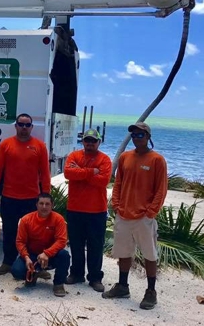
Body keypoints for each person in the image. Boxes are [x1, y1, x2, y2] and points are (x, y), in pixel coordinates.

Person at [102, 122, 167, 310]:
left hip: (144, 218)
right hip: (123, 214)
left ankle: (151, 291)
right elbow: (119, 182)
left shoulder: (157, 160)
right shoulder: (125, 157)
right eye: (134, 135)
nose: (137, 138)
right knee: (123, 253)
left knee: (149, 255)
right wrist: (116, 205)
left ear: (148, 137)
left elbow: (161, 189)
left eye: (140, 135)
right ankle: (123, 286)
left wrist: (150, 213)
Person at [0, 113, 52, 276]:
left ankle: (36, 265)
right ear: (16, 126)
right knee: (9, 231)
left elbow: (45, 173)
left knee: (34, 234)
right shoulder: (6, 145)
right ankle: (8, 262)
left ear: (31, 127)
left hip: (31, 199)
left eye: (27, 125)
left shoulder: (39, 146)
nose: (24, 128)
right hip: (10, 197)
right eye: (21, 124)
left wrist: (46, 197)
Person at [63, 128, 112, 292]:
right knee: (75, 244)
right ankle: (76, 273)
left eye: (93, 140)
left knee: (96, 246)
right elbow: (68, 173)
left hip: (97, 210)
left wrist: (80, 173)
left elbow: (103, 181)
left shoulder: (105, 159)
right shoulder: (74, 156)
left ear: (99, 142)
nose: (90, 143)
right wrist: (91, 172)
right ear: (82, 141)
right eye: (87, 140)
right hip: (75, 208)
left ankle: (95, 277)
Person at [11, 193, 70, 297]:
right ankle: (34, 273)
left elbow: (61, 240)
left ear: (52, 205)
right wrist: (26, 257)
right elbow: (20, 242)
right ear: (36, 205)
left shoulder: (58, 219)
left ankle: (59, 284)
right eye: (41, 203)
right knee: (16, 271)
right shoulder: (26, 220)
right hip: (32, 255)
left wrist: (47, 253)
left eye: (47, 204)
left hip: (51, 255)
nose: (44, 207)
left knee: (64, 255)